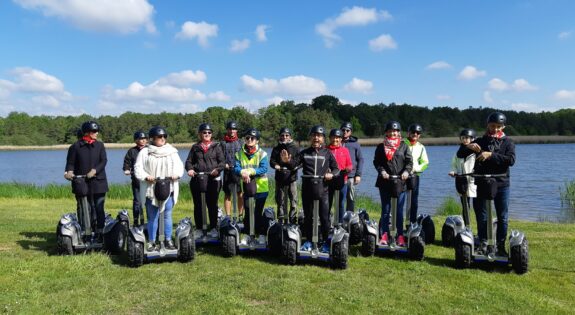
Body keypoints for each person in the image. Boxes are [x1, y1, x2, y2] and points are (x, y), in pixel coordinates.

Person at [466, 112, 516, 256]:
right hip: (482, 182)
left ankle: (500, 245)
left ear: (503, 126)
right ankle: (483, 242)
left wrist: (491, 155)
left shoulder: (508, 142)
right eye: (492, 126)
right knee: (481, 215)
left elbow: (511, 160)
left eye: (498, 126)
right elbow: (462, 155)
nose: (495, 129)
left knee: (502, 216)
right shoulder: (480, 141)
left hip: (502, 183)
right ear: (487, 125)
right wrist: (468, 147)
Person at [134, 126, 184, 251]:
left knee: (167, 215)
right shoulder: (145, 152)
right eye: (159, 137)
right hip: (151, 189)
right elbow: (137, 168)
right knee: (152, 216)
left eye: (164, 137)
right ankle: (151, 241)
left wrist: (176, 175)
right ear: (152, 138)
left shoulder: (172, 151)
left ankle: (167, 240)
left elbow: (179, 166)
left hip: (168, 188)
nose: (162, 139)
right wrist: (146, 177)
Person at [298, 125, 340, 253]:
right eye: (314, 135)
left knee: (325, 217)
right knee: (308, 217)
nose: (316, 138)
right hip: (308, 189)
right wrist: (287, 161)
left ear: (323, 138)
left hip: (323, 190)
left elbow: (336, 168)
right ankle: (309, 241)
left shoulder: (328, 153)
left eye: (319, 136)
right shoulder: (304, 153)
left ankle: (326, 242)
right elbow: (293, 165)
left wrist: (331, 174)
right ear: (310, 137)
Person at [65, 121, 109, 240]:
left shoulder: (100, 145)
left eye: (97, 131)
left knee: (99, 208)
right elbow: (70, 163)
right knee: (86, 208)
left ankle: (100, 231)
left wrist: (95, 171)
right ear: (86, 133)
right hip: (82, 183)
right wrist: (68, 172)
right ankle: (86, 231)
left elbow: (103, 161)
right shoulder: (75, 147)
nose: (97, 133)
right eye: (94, 131)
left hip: (99, 181)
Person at [373, 121, 412, 246]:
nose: (393, 133)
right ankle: (384, 234)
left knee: (399, 211)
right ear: (386, 132)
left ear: (398, 132)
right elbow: (377, 162)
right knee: (386, 210)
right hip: (385, 182)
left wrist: (406, 171)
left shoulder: (404, 146)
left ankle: (400, 235)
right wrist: (382, 171)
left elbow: (409, 162)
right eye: (390, 131)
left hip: (400, 182)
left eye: (395, 131)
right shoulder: (380, 146)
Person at [185, 123, 225, 238]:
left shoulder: (216, 146)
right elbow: (188, 162)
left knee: (212, 205)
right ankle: (199, 228)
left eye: (209, 132)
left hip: (213, 180)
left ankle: (213, 228)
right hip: (198, 179)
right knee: (198, 205)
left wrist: (217, 170)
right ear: (200, 134)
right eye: (204, 132)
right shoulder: (195, 147)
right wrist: (190, 169)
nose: (207, 134)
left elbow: (222, 162)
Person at [234, 128, 269, 244]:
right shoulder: (239, 154)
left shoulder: (262, 154)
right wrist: (242, 172)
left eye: (252, 138)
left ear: (257, 140)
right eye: (247, 138)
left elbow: (263, 168)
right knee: (248, 212)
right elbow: (236, 167)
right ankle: (249, 235)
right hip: (248, 188)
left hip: (261, 188)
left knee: (258, 212)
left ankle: (261, 234)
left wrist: (249, 171)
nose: (249, 140)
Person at [269, 127, 300, 223]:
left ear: (290, 136)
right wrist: (276, 165)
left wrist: (294, 166)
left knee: (293, 200)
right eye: (282, 135)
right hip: (280, 178)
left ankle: (293, 219)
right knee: (280, 200)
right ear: (279, 136)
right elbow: (271, 161)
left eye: (287, 135)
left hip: (292, 178)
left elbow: (299, 161)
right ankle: (281, 220)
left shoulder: (295, 147)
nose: (284, 137)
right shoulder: (276, 148)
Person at [404, 123, 429, 224]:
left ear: (419, 135)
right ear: (409, 133)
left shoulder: (421, 147)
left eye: (417, 133)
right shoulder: (402, 143)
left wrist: (415, 169)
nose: (415, 134)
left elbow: (425, 162)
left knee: (414, 201)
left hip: (414, 176)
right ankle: (398, 223)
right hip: (402, 176)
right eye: (413, 132)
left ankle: (412, 222)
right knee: (400, 200)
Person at [327, 129, 353, 223]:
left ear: (341, 139)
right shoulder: (326, 150)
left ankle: (340, 223)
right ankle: (327, 223)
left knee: (341, 204)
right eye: (333, 137)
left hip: (342, 180)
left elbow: (350, 164)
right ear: (330, 138)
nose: (335, 139)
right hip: (328, 181)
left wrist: (348, 168)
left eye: (337, 138)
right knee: (327, 203)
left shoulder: (345, 150)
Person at [122, 130, 148, 225]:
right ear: (136, 140)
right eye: (141, 139)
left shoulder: (150, 150)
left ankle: (151, 221)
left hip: (149, 180)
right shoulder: (132, 151)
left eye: (144, 138)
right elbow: (127, 162)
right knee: (137, 201)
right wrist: (127, 169)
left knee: (150, 202)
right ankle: (137, 220)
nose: (143, 140)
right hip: (137, 180)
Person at [448, 128, 477, 210]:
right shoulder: (457, 153)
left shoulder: (476, 152)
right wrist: (453, 171)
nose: (465, 140)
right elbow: (454, 165)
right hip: (461, 180)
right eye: (463, 138)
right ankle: (466, 222)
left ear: (472, 138)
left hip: (474, 180)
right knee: (465, 205)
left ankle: (479, 222)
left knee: (478, 205)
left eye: (467, 138)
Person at [221, 121, 244, 217]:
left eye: (234, 129)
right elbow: (219, 157)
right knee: (227, 194)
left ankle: (240, 215)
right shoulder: (222, 143)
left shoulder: (241, 142)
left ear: (236, 130)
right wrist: (223, 164)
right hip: (227, 171)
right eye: (230, 129)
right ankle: (228, 216)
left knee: (240, 193)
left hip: (239, 171)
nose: (232, 131)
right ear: (227, 130)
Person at [340, 122, 364, 212]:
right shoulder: (336, 141)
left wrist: (358, 175)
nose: (345, 132)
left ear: (351, 132)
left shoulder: (355, 144)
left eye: (347, 130)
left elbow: (360, 160)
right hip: (337, 175)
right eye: (343, 130)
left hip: (351, 176)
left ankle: (349, 217)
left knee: (350, 198)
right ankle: (339, 218)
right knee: (339, 198)